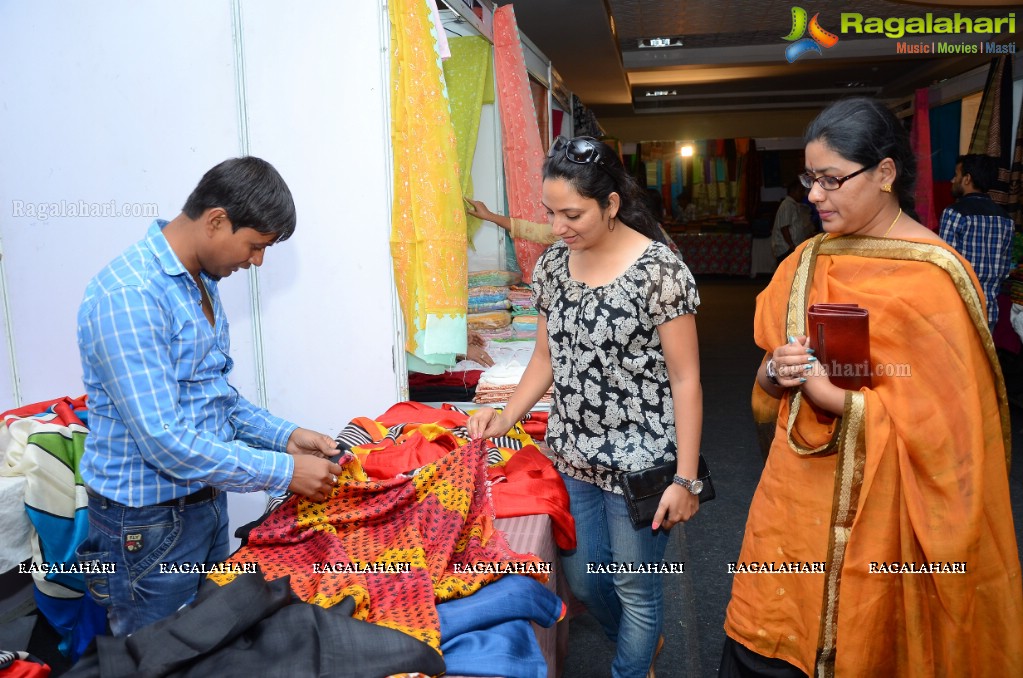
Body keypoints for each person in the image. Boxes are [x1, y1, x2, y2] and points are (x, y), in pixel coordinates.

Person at [723, 97, 1023, 676]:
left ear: (885, 173)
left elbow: (954, 437)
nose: (814, 195)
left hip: (889, 527)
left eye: (833, 180)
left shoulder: (935, 278)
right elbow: (767, 379)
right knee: (768, 637)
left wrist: (835, 399)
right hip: (792, 507)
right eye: (811, 179)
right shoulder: (805, 260)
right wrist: (775, 371)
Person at [75, 157, 344, 636]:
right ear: (217, 220)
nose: (257, 261)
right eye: (256, 246)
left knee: (208, 646)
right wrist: (284, 472)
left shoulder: (199, 281)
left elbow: (214, 396)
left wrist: (288, 437)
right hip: (147, 525)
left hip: (201, 505)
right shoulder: (130, 295)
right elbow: (164, 440)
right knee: (157, 657)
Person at [467, 136, 703, 678]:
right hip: (572, 455)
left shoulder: (659, 271)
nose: (557, 227)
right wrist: (505, 418)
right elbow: (545, 358)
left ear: (611, 204)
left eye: (571, 214)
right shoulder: (552, 267)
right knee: (587, 580)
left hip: (642, 464)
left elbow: (686, 379)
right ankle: (638, 645)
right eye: (550, 213)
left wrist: (685, 479)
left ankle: (630, 666)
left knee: (634, 585)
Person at [938, 153, 1015, 331]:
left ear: (967, 179)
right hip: (989, 313)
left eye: (956, 175)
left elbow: (944, 266)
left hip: (958, 312)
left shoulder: (954, 214)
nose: (952, 180)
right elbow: (1004, 272)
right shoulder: (1006, 220)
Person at [770, 179, 813, 262]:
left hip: (792, 248)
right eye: (801, 191)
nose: (803, 194)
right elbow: (784, 228)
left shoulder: (794, 205)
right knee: (788, 273)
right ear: (794, 191)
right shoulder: (787, 205)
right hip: (786, 249)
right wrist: (791, 246)